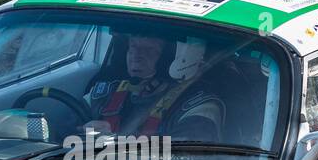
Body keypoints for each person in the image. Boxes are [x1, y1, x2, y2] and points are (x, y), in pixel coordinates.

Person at [82, 35, 224, 140]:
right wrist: (83, 132)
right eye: (132, 47)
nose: (136, 56)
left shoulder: (200, 108)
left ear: (178, 58)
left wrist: (113, 141)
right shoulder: (104, 93)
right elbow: (62, 131)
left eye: (148, 50)